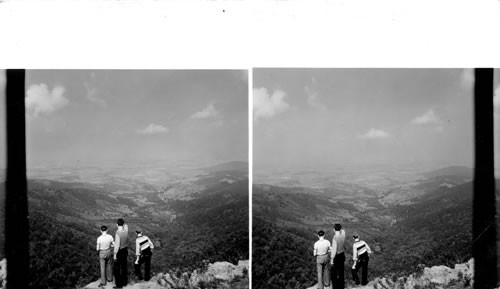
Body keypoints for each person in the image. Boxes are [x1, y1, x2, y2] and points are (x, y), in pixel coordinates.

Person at [113, 218, 129, 288]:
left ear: (116, 224)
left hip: (119, 251)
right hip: (125, 250)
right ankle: (124, 282)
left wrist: (115, 255)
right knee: (124, 267)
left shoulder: (117, 233)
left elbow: (117, 245)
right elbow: (126, 225)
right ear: (123, 224)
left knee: (117, 268)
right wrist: (122, 224)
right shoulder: (126, 230)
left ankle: (119, 285)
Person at [330, 224, 346, 289]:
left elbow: (334, 250)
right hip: (342, 255)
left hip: (337, 256)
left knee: (334, 273)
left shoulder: (334, 238)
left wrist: (331, 260)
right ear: (340, 229)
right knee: (341, 271)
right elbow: (343, 231)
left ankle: (335, 287)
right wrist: (340, 230)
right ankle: (342, 286)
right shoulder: (343, 236)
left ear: (334, 229)